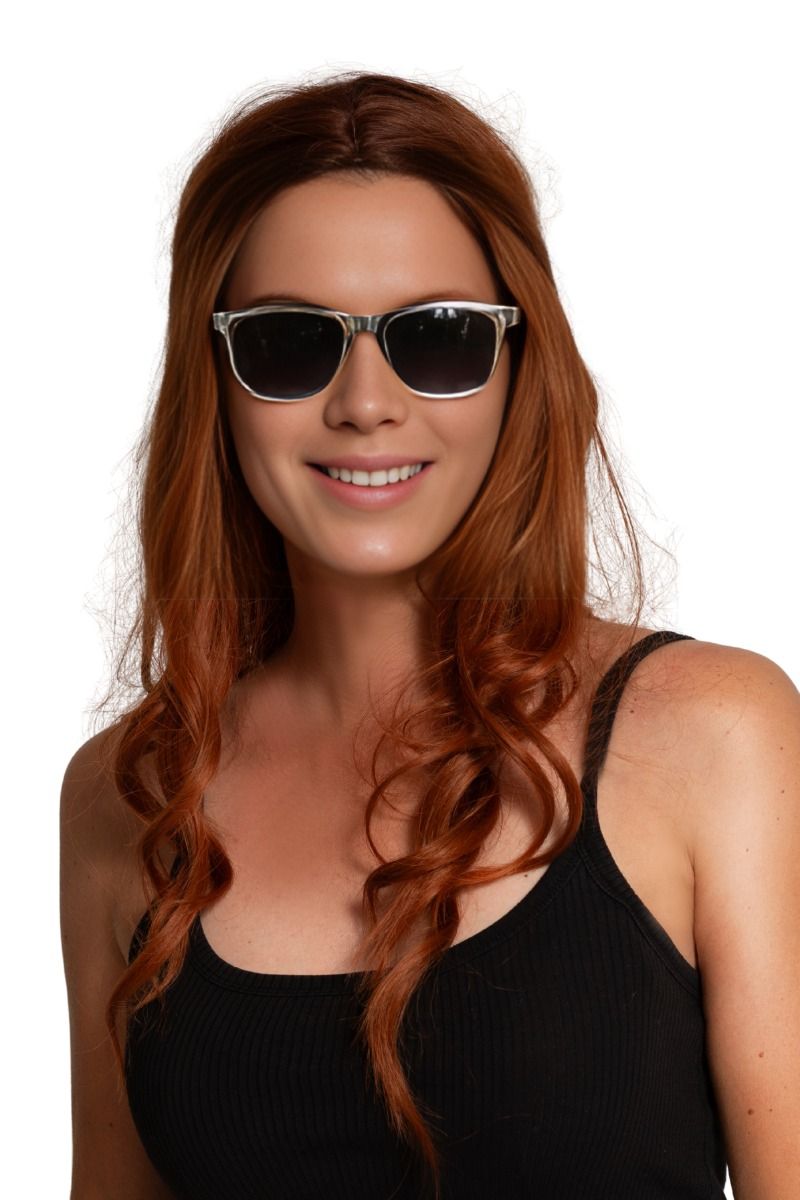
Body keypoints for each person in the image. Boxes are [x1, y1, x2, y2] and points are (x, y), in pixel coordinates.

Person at [59, 71, 799, 1200]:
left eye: (439, 339)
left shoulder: (709, 736)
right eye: (290, 343)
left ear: (517, 365)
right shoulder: (129, 796)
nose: (365, 402)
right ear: (216, 379)